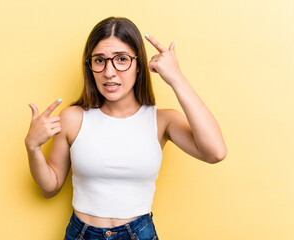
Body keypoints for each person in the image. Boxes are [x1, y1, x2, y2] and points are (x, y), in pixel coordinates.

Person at [25, 16, 227, 240]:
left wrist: (176, 78)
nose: (109, 72)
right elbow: (49, 188)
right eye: (99, 60)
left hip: (138, 234)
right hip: (81, 234)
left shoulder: (162, 121)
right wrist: (32, 147)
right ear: (90, 65)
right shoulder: (72, 118)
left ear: (139, 65)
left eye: (121, 59)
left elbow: (215, 152)